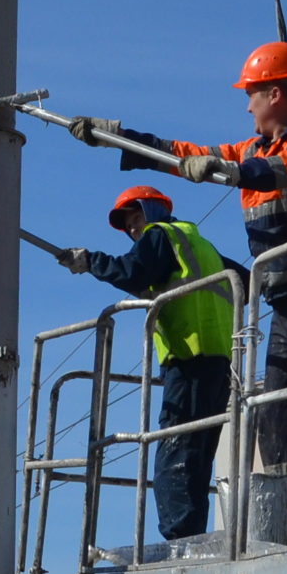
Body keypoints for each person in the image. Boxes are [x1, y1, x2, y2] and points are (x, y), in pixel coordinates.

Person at [70, 41, 287, 539]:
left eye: (250, 95)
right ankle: (285, 529)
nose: (246, 106)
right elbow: (188, 157)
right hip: (285, 303)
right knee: (276, 417)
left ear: (274, 93)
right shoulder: (251, 150)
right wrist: (121, 141)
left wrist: (240, 172)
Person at [55, 187, 237, 543]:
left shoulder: (160, 235)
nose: (135, 229)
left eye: (136, 218)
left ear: (153, 211)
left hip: (189, 358)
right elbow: (241, 279)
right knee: (197, 457)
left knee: (175, 452)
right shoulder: (202, 246)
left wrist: (91, 261)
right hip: (219, 362)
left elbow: (133, 271)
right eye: (129, 225)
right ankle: (192, 540)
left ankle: (179, 542)